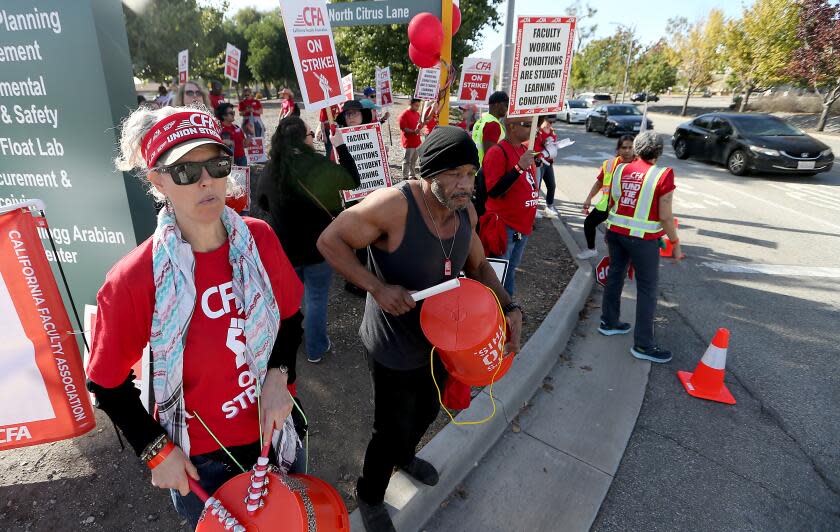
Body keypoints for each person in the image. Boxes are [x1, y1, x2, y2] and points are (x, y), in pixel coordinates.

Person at [86, 106, 305, 529]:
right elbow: (105, 382)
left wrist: (280, 377)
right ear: (158, 180)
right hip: (202, 460)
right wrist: (155, 451)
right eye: (185, 170)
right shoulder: (134, 277)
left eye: (216, 164)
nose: (206, 181)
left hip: (276, 431)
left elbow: (290, 317)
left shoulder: (257, 238)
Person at [316, 126, 523, 532]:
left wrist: (509, 305)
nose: (466, 185)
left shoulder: (467, 210)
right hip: (392, 343)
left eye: (471, 173)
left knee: (428, 409)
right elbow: (330, 241)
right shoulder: (394, 206)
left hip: (442, 343)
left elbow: (478, 266)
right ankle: (371, 494)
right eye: (455, 174)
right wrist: (377, 287)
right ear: (429, 172)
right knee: (389, 427)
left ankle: (405, 455)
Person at [257, 116, 360, 364]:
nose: (313, 138)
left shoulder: (271, 169)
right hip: (319, 250)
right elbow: (353, 182)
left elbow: (261, 203)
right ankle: (315, 348)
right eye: (310, 134)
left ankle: (284, 349)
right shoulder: (319, 165)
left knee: (289, 301)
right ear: (304, 139)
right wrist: (341, 146)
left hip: (286, 251)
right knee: (316, 299)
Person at [599, 130, 683, 363]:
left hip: (616, 231)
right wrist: (675, 242)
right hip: (643, 239)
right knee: (647, 289)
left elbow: (614, 199)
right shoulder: (663, 175)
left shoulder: (621, 169)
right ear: (659, 152)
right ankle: (643, 345)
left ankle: (609, 322)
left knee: (615, 275)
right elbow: (665, 216)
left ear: (636, 149)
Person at [478, 116, 539, 296]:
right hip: (505, 226)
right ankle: (499, 310)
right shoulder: (498, 152)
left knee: (511, 269)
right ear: (512, 127)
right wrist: (519, 167)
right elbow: (495, 191)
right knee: (498, 273)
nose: (532, 129)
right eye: (527, 125)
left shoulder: (524, 150)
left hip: (522, 226)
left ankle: (507, 309)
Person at [578, 135, 635, 259]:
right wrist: (589, 198)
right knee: (589, 223)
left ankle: (626, 257)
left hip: (627, 207)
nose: (627, 151)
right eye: (624, 147)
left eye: (630, 147)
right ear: (618, 149)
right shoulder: (610, 164)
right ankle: (591, 249)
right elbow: (599, 183)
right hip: (607, 205)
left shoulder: (639, 165)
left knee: (619, 236)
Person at [472, 91, 508, 164]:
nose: (507, 109)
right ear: (497, 105)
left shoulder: (481, 121)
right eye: (506, 105)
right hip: (485, 171)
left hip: (477, 168)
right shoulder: (493, 124)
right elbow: (490, 155)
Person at [533, 115, 559, 218]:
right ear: (543, 120)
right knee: (536, 187)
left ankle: (549, 206)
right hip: (540, 162)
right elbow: (534, 147)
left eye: (552, 122)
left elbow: (553, 146)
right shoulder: (537, 132)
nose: (550, 124)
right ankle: (534, 209)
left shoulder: (552, 131)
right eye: (549, 122)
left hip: (549, 162)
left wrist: (554, 150)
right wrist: (544, 144)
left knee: (551, 185)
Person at [398, 98, 425, 180]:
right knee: (407, 161)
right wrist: (414, 132)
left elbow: (419, 126)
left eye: (418, 106)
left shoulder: (417, 114)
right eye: (416, 105)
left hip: (416, 142)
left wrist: (421, 127)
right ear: (410, 104)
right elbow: (403, 128)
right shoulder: (404, 114)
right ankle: (405, 177)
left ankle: (412, 175)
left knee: (413, 161)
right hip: (408, 142)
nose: (417, 107)